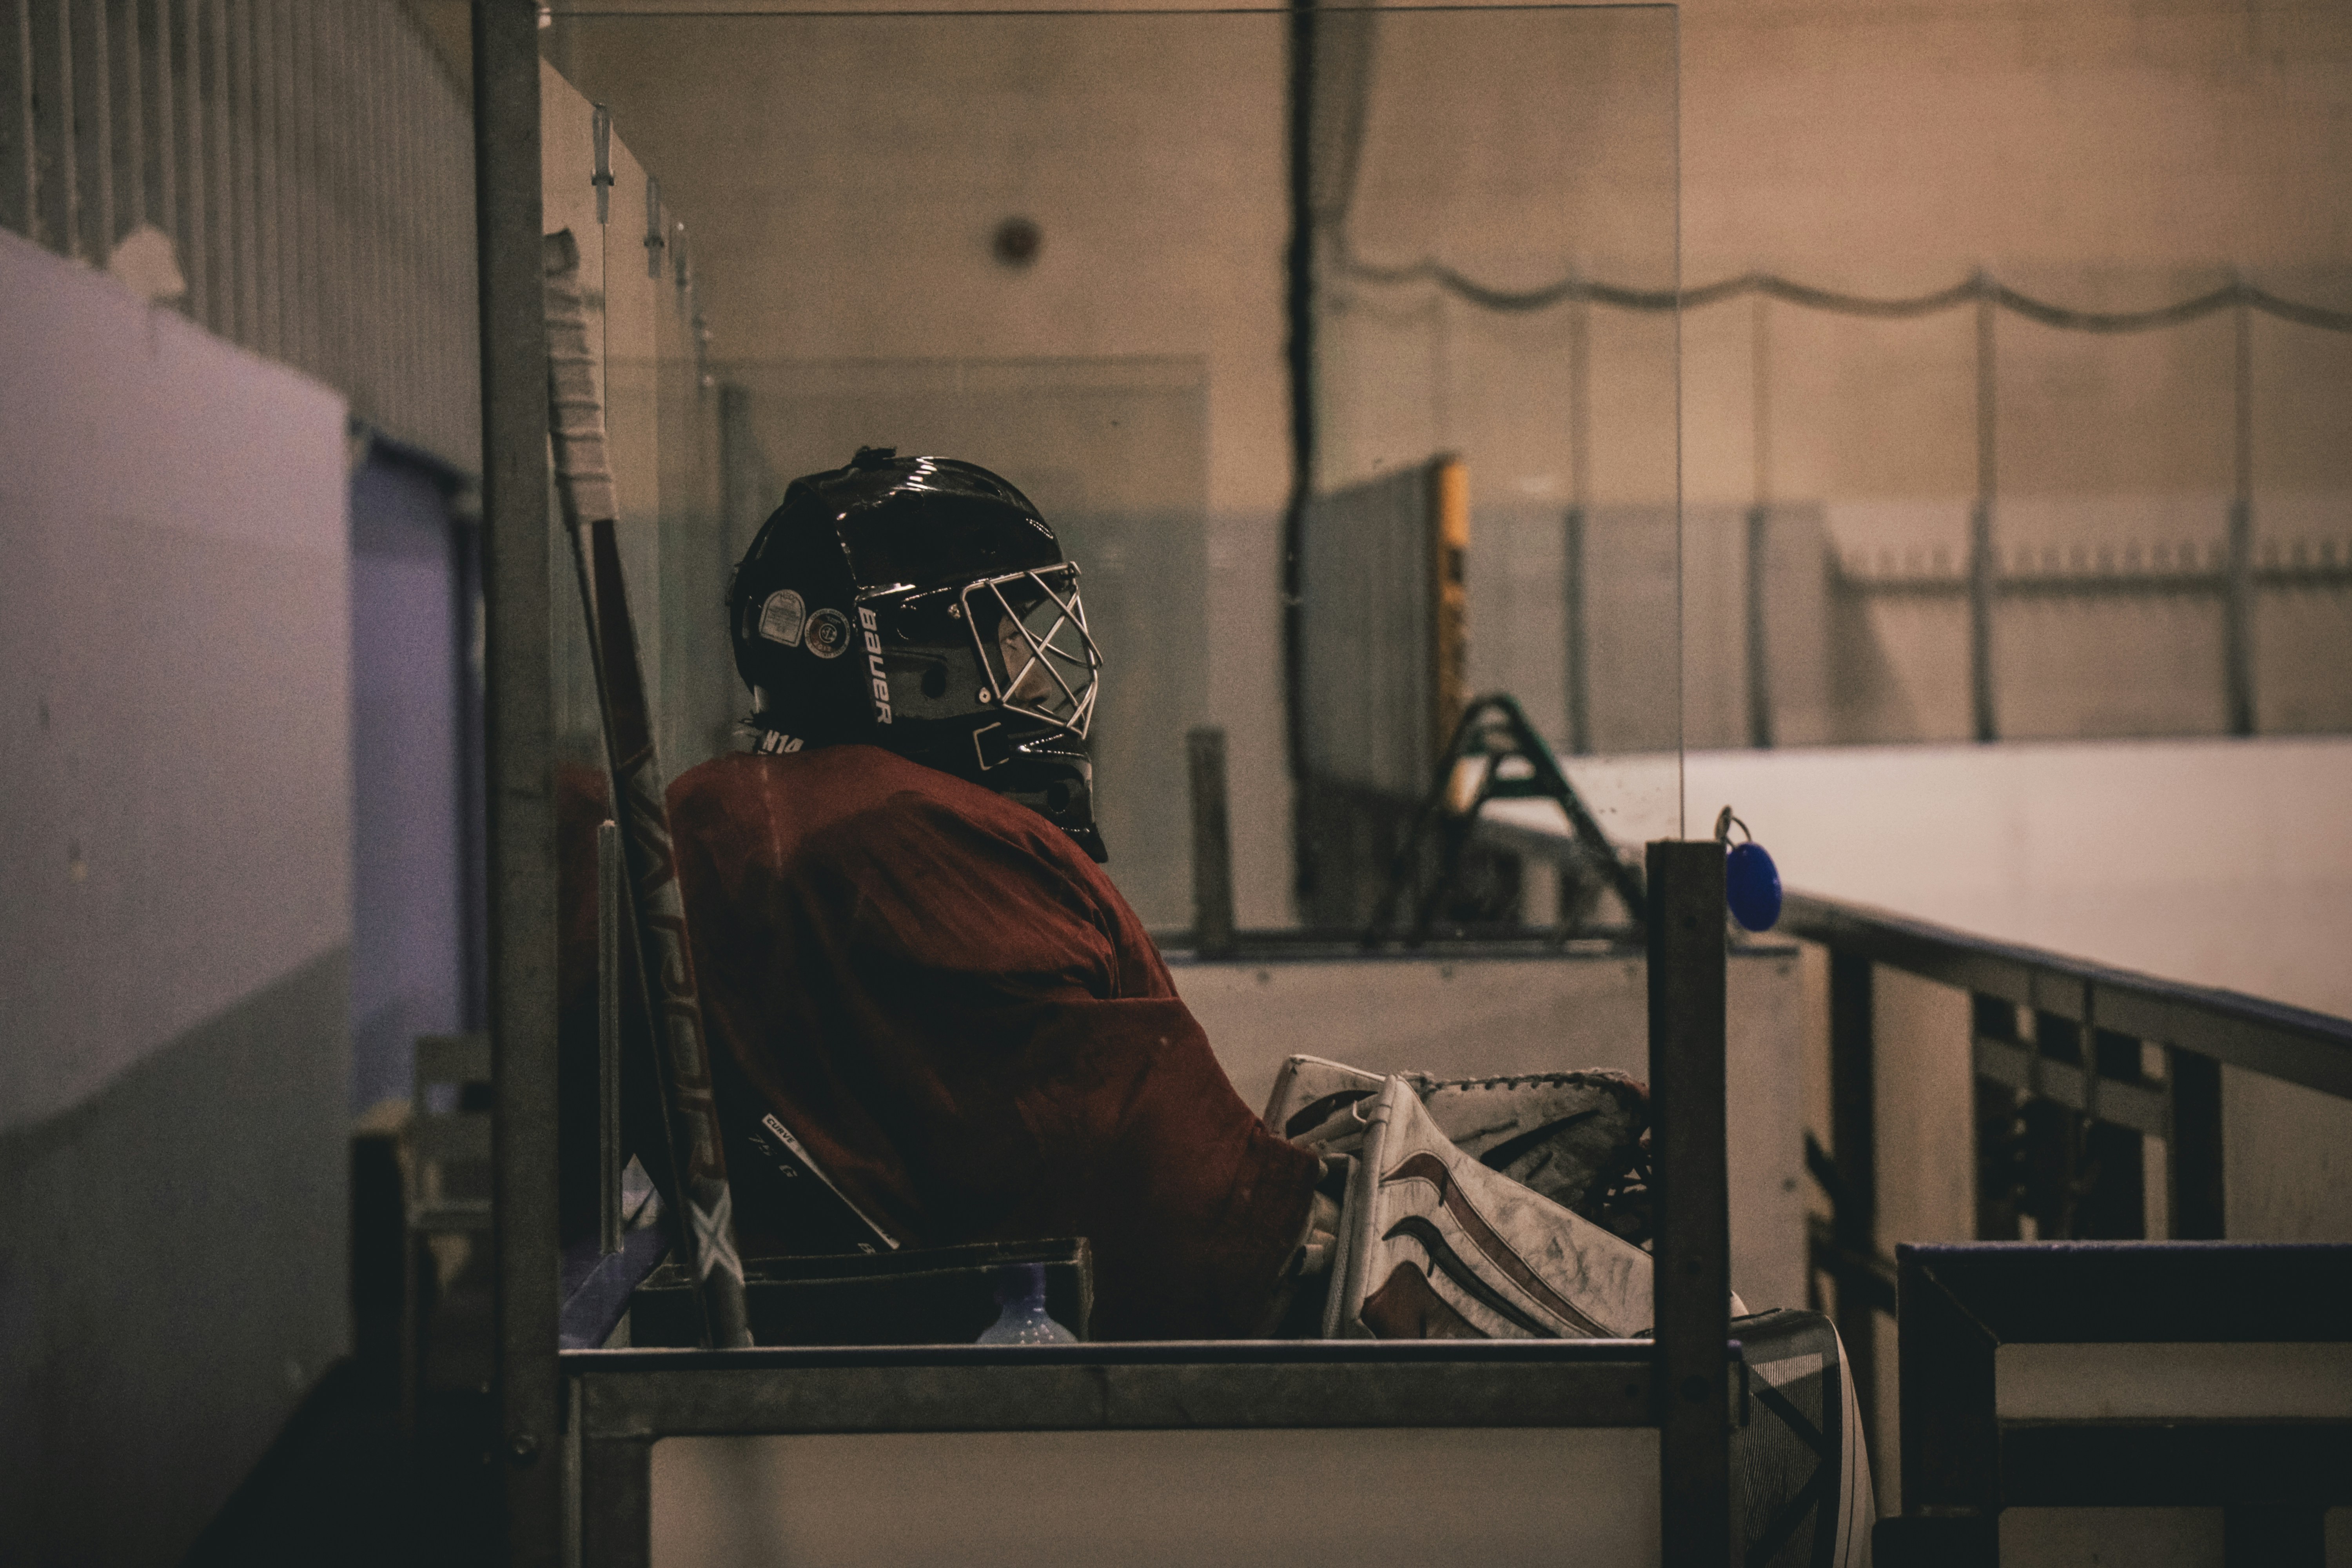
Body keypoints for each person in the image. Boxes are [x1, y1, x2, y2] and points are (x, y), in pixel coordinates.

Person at [664, 448, 1324, 1340]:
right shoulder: (897, 835)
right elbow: (1152, 1190)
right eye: (1002, 635)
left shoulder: (753, 807)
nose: (1039, 667)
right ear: (887, 654)